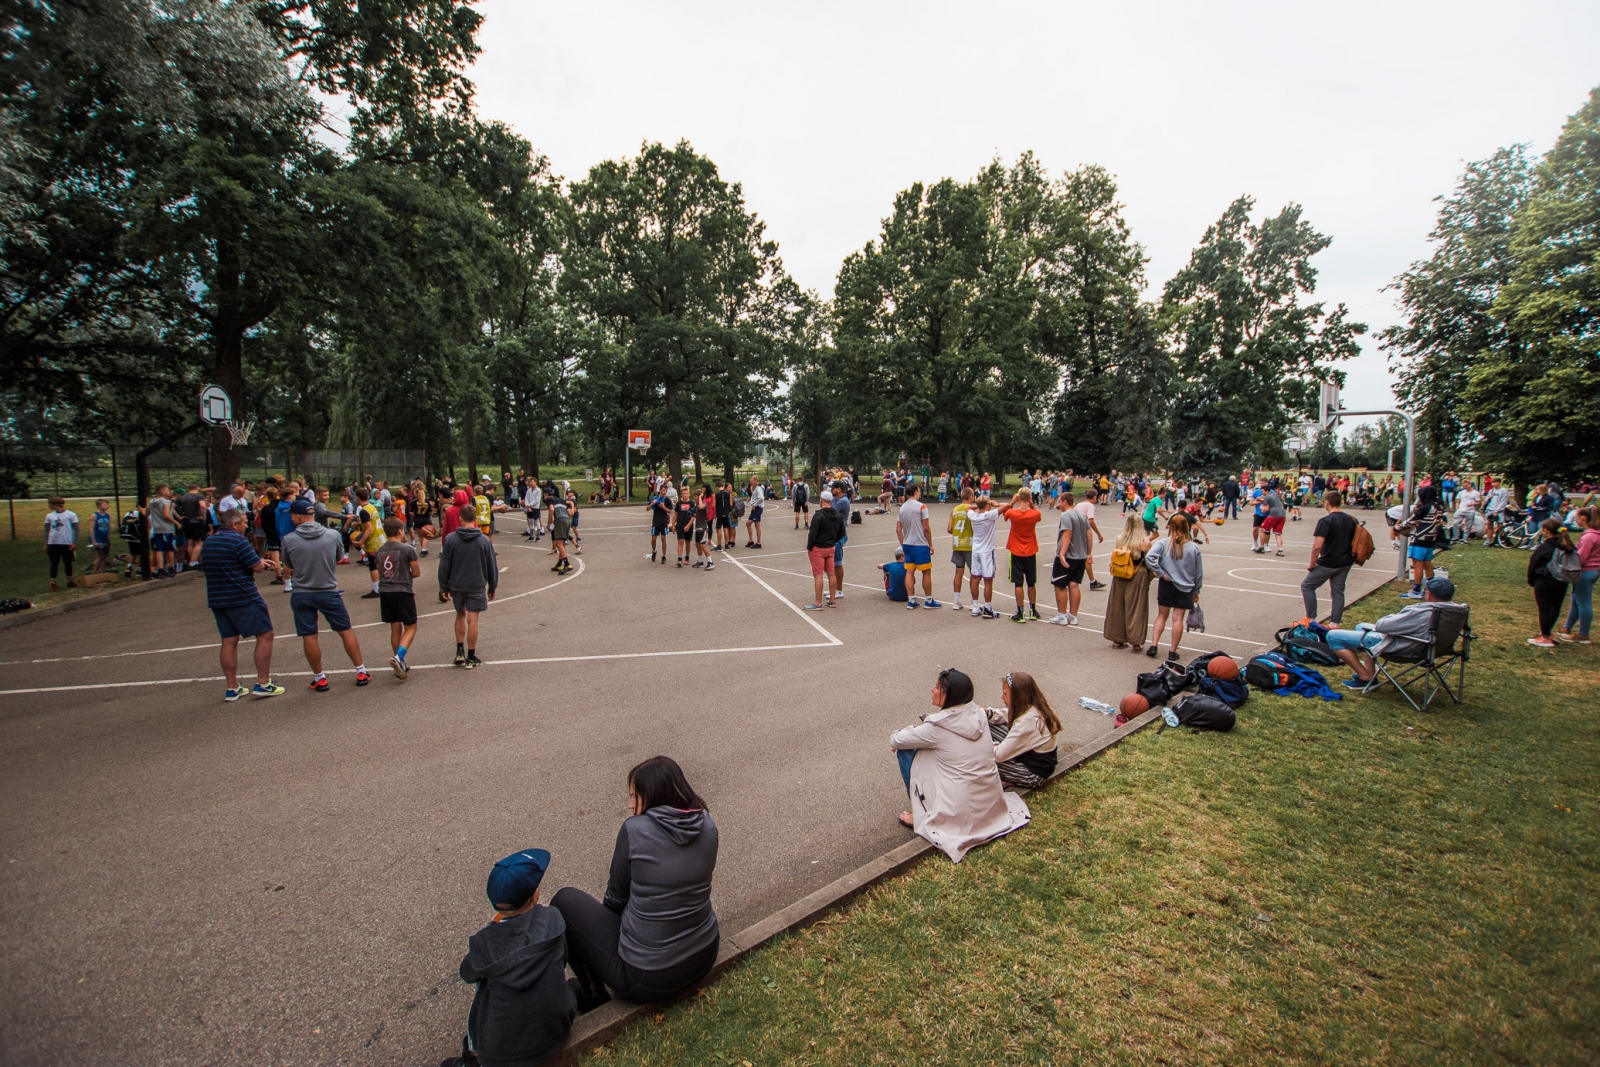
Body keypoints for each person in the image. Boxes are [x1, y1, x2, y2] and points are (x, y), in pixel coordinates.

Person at [551, 757, 720, 1013]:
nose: (630, 805)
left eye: (634, 796)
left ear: (653, 795)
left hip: (648, 979)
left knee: (565, 901)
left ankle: (593, 995)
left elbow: (615, 900)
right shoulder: (708, 823)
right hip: (705, 952)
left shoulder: (635, 830)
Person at [444, 848, 576, 1067]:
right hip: (558, 1033)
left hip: (502, 1055)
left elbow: (467, 973)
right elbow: (562, 959)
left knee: (481, 996)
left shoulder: (484, 942)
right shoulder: (553, 919)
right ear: (536, 894)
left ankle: (472, 1058)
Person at [889, 668, 1030, 862]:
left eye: (937, 687)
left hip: (957, 812)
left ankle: (919, 813)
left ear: (948, 695)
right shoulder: (979, 715)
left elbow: (896, 740)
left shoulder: (936, 727)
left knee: (907, 750)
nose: (932, 689)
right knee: (932, 750)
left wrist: (903, 734)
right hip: (990, 805)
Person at [279, 499, 370, 689]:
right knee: (345, 630)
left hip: (302, 592)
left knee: (309, 635)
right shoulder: (332, 535)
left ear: (297, 516)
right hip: (328, 589)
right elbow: (338, 557)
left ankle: (319, 677)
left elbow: (288, 564)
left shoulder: (289, 539)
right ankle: (361, 671)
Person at [199, 508, 283, 700]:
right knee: (265, 634)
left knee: (229, 640)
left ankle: (232, 686)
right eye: (244, 522)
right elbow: (256, 567)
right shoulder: (238, 541)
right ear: (235, 524)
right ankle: (263, 682)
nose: (246, 526)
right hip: (243, 596)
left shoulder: (210, 541)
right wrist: (262, 563)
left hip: (218, 598)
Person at [1327, 577, 1458, 689]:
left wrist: (1391, 617)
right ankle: (1370, 671)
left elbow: (1382, 626)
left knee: (1333, 636)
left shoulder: (1423, 612)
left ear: (1429, 594)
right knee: (1360, 626)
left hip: (1403, 647)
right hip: (1431, 647)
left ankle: (1365, 678)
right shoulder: (1455, 611)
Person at [439, 504, 500, 668]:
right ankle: (471, 656)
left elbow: (445, 565)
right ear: (475, 519)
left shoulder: (450, 539)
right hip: (476, 583)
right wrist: (492, 586)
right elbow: (491, 566)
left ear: (460, 519)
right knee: (473, 619)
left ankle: (460, 650)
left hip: (457, 584)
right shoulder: (484, 540)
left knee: (460, 614)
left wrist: (444, 586)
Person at [985, 671, 1062, 790]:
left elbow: (998, 756)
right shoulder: (1036, 707)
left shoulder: (1026, 724)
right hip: (1033, 759)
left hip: (1033, 775)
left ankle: (1010, 779)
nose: (1002, 696)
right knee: (988, 724)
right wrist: (988, 713)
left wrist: (983, 745)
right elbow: (1009, 715)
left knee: (981, 758)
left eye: (1005, 693)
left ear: (1017, 697)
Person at [1144, 513, 1202, 663]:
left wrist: (1160, 572)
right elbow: (1198, 571)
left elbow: (1149, 557)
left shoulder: (1164, 543)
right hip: (1185, 586)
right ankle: (1172, 650)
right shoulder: (1193, 548)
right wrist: (1196, 590)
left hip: (1167, 583)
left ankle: (1154, 644)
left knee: (1161, 615)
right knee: (1178, 619)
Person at [370, 517, 421, 678]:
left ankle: (400, 660)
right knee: (411, 626)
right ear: (400, 531)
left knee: (395, 626)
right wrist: (405, 580)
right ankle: (399, 657)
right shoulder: (407, 549)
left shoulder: (379, 551)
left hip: (385, 591)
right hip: (402, 590)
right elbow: (416, 572)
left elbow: (380, 572)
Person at [1302, 490, 1358, 624]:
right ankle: (1334, 623)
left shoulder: (1326, 521)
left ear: (1327, 503)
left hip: (1328, 562)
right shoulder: (1351, 519)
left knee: (1307, 586)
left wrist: (1312, 564)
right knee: (1338, 592)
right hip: (1345, 562)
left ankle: (1311, 619)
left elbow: (1317, 546)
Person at [1103, 515, 1153, 651]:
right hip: (1137, 574)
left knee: (1118, 606)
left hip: (1120, 574)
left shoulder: (1120, 539)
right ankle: (1136, 641)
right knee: (1136, 608)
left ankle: (1117, 638)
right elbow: (1149, 562)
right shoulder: (1145, 542)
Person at [1528, 518, 1574, 648]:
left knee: (1544, 608)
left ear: (1546, 531)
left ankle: (1545, 636)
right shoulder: (1568, 545)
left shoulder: (1545, 547)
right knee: (1555, 607)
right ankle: (1548, 631)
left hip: (1544, 580)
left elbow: (1534, 563)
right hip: (1562, 580)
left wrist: (1532, 579)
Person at [997, 489, 1042, 622]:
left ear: (1019, 498)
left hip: (1016, 550)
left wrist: (1012, 501)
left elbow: (1005, 514)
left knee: (1018, 582)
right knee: (1031, 582)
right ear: (1029, 499)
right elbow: (1038, 516)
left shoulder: (1013, 513)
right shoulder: (1035, 513)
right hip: (1030, 550)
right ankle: (1033, 610)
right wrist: (1031, 504)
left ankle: (1020, 611)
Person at [1557, 507, 1598, 645]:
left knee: (1583, 602)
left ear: (1584, 519)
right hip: (1592, 570)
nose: (1576, 520)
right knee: (1576, 599)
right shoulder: (1595, 534)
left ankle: (1583, 634)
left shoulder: (1589, 537)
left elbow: (1581, 557)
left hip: (1585, 571)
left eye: (1577, 517)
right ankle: (1566, 628)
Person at [1049, 490, 1088, 626]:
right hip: (1080, 555)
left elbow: (1067, 535)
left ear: (1065, 502)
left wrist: (1061, 554)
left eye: (1059, 502)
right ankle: (1073, 615)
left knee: (1059, 584)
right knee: (1074, 584)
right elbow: (1089, 534)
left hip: (1069, 555)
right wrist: (1088, 553)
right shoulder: (1082, 516)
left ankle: (1062, 615)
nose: (1059, 505)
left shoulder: (1066, 516)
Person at [896, 484, 938, 608]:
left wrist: (903, 544)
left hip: (908, 543)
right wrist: (930, 544)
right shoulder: (922, 507)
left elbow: (898, 529)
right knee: (926, 572)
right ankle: (929, 600)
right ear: (916, 492)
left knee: (909, 572)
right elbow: (926, 527)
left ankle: (911, 599)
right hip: (919, 544)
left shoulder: (902, 508)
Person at [1401, 486, 1446, 599]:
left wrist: (1398, 527)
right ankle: (1430, 589)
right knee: (1427, 564)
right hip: (1430, 539)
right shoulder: (1437, 507)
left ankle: (1416, 590)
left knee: (1418, 565)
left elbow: (1411, 520)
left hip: (1420, 538)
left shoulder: (1425, 508)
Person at [803, 489, 843, 609]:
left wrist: (809, 547)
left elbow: (813, 533)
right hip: (831, 547)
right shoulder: (837, 515)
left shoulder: (818, 515)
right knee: (831, 573)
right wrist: (833, 540)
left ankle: (818, 602)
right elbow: (842, 533)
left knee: (818, 575)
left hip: (818, 548)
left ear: (822, 500)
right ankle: (832, 600)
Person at [966, 492, 1000, 618]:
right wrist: (994, 504)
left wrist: (978, 506)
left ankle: (975, 606)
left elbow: (968, 508)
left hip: (976, 550)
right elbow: (1007, 506)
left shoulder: (973, 516)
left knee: (975, 578)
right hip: (987, 551)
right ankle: (988, 607)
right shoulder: (989, 515)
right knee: (988, 580)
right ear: (987, 505)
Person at [42, 496, 78, 591]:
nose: (49, 506)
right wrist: (46, 543)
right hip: (53, 542)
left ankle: (70, 580)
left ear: (55, 504)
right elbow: (46, 530)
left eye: (50, 504)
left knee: (67, 562)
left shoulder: (71, 515)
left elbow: (76, 528)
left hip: (66, 542)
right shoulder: (49, 516)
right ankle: (53, 582)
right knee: (54, 562)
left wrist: (74, 542)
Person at [947, 487, 974, 610]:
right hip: (969, 543)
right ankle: (974, 601)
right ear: (971, 497)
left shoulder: (955, 509)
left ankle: (956, 601)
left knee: (958, 572)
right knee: (974, 574)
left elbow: (949, 529)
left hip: (957, 543)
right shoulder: (972, 509)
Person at [147, 483, 178, 578]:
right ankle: (171, 568)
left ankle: (160, 570)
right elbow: (166, 515)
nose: (169, 492)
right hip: (167, 528)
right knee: (170, 549)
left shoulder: (152, 502)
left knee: (159, 550)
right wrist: (176, 523)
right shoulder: (166, 502)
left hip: (156, 529)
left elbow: (146, 513)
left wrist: (141, 510)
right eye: (168, 490)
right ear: (163, 491)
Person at [88, 498, 112, 574]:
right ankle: (95, 571)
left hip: (105, 538)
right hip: (98, 539)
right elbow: (91, 528)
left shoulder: (107, 515)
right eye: (104, 504)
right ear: (99, 506)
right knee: (100, 556)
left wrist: (108, 538)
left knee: (104, 556)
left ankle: (102, 570)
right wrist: (93, 540)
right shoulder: (95, 515)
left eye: (107, 504)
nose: (107, 506)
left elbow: (108, 527)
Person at [744, 477, 765, 548]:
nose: (750, 483)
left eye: (751, 481)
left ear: (756, 481)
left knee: (757, 525)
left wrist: (755, 504)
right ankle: (751, 541)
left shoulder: (758, 488)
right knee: (748, 523)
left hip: (757, 508)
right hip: (754, 509)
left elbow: (761, 498)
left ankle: (759, 543)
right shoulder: (756, 488)